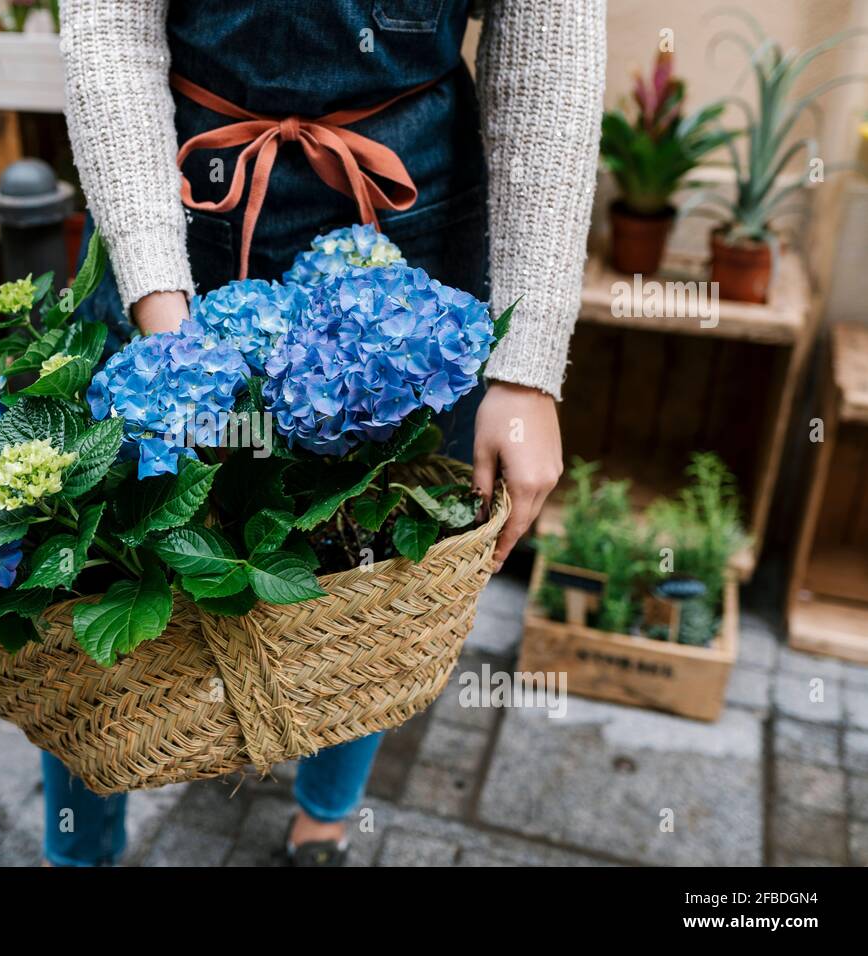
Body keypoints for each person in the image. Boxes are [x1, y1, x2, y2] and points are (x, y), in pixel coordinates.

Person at [40, 0, 605, 866]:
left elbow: (549, 49)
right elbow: (109, 25)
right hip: (172, 200)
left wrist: (526, 368)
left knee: (374, 560)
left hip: (403, 231)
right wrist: (166, 329)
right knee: (96, 559)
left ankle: (327, 817)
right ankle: (83, 851)